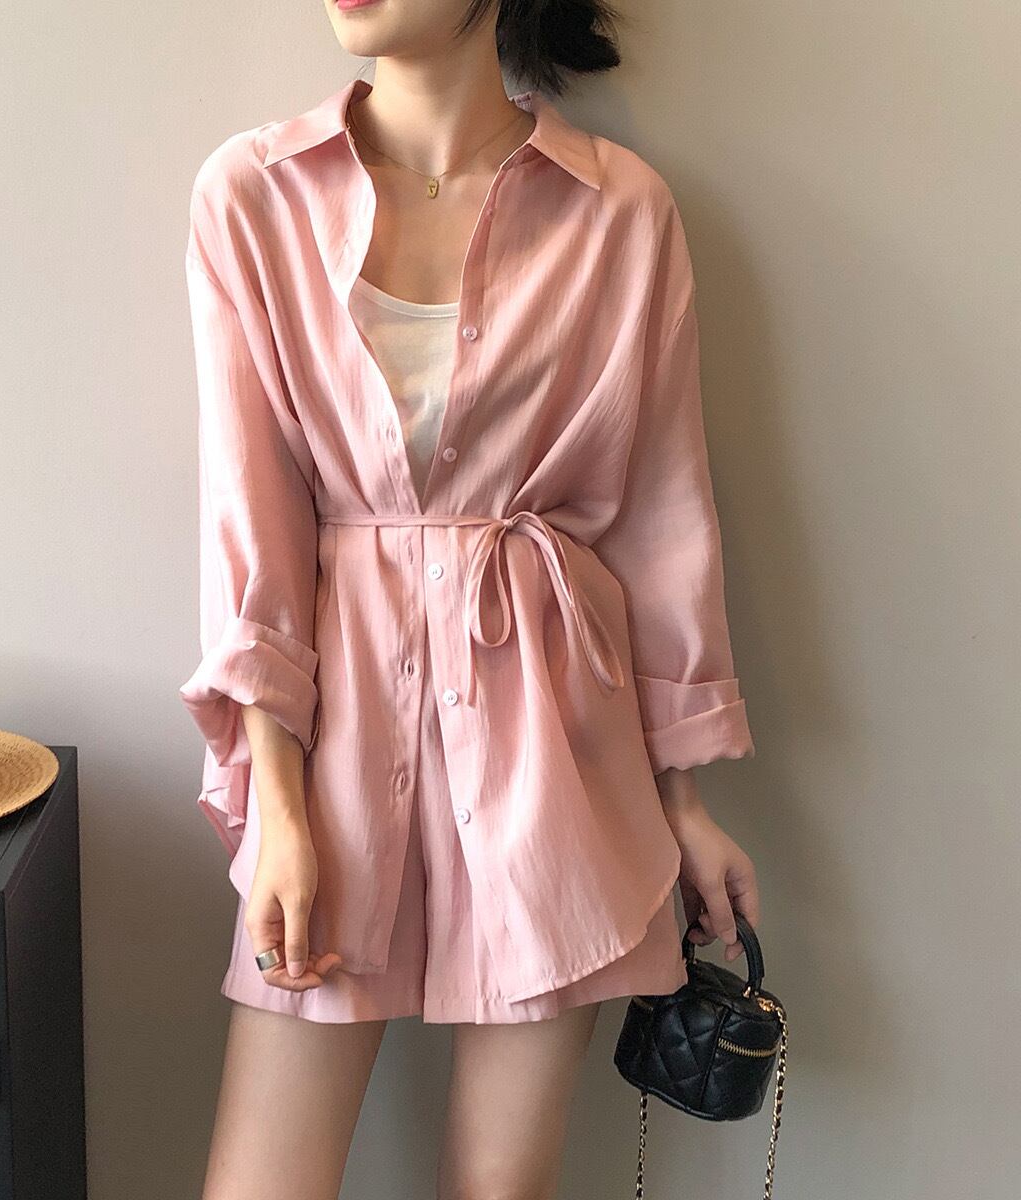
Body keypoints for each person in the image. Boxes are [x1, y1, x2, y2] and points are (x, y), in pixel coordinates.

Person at [177, 2, 761, 1197]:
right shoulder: (254, 193)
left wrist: (683, 799)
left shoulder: (618, 210)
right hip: (334, 752)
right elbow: (251, 521)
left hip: (557, 755)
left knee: (501, 1188)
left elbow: (661, 515)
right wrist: (278, 808)